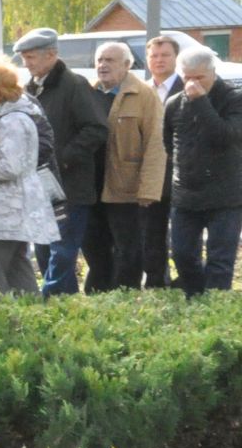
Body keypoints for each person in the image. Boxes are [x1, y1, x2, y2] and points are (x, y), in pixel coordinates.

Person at [14, 27, 106, 296]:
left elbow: (96, 130)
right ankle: (64, 304)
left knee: (62, 251)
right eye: (24, 57)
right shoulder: (30, 88)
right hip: (40, 186)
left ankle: (50, 301)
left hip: (70, 186)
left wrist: (61, 160)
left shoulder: (74, 85)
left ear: (51, 55)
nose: (26, 63)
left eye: (30, 57)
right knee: (43, 249)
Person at [0, 54, 60, 299]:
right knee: (17, 264)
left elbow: (12, 166)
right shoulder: (9, 117)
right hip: (12, 208)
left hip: (9, 209)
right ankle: (32, 319)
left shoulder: (13, 121)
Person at [82, 42, 165, 293]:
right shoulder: (89, 92)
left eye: (110, 60)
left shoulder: (143, 94)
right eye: (99, 60)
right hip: (92, 186)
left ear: (127, 65)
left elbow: (156, 143)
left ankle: (124, 295)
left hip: (126, 187)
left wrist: (149, 189)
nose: (103, 65)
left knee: (128, 247)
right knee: (94, 244)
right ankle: (98, 292)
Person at [164, 45, 242, 298]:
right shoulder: (174, 103)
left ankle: (216, 309)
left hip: (226, 195)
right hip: (186, 193)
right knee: (183, 254)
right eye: (188, 78)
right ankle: (196, 300)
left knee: (220, 259)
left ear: (213, 73)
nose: (193, 83)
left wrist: (200, 102)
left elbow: (225, 137)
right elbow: (168, 143)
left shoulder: (234, 99)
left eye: (200, 78)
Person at [141, 34, 187, 289]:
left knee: (183, 239)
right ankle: (157, 283)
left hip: (182, 175)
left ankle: (187, 283)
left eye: (165, 55)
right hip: (151, 177)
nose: (159, 60)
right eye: (154, 56)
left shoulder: (189, 88)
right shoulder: (140, 91)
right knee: (152, 235)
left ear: (175, 58)